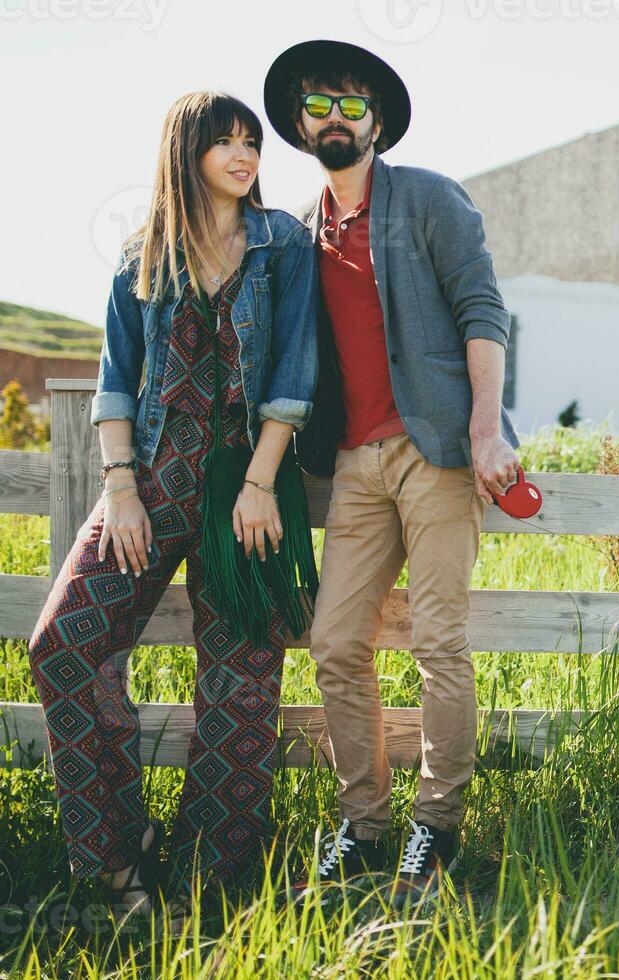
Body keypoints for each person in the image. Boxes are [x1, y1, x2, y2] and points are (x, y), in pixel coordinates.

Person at [26, 91, 319, 929]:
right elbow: (117, 382)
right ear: (184, 151)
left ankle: (211, 879)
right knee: (63, 646)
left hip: (246, 485)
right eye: (223, 140)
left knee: (242, 679)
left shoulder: (282, 245)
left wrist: (262, 480)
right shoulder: (139, 257)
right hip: (152, 478)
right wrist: (120, 486)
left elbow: (294, 372)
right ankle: (119, 855)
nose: (243, 154)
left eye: (251, 141)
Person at [262, 39, 520, 907]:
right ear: (300, 124)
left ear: (377, 119)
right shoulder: (297, 232)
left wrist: (487, 431)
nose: (334, 118)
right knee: (336, 642)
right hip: (352, 464)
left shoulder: (429, 201)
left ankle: (435, 828)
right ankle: (363, 824)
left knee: (438, 643)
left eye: (351, 104)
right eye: (317, 105)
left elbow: (485, 311)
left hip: (438, 449)